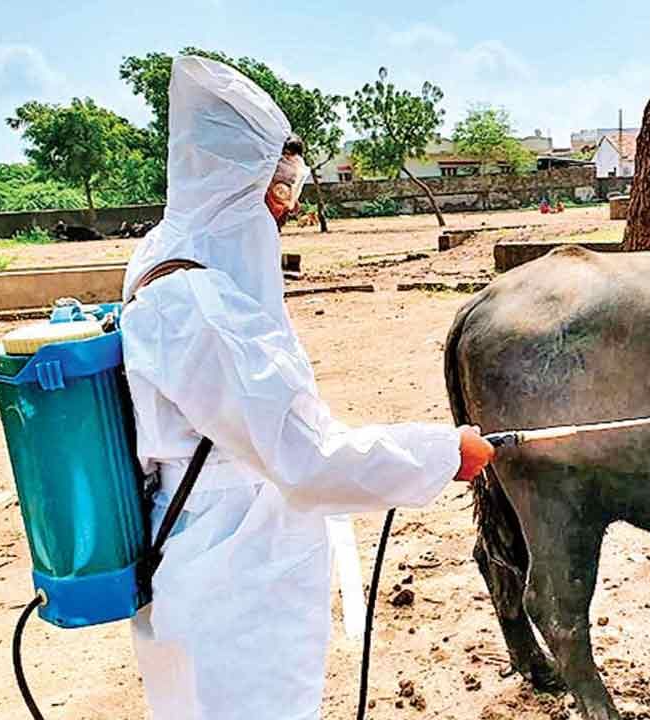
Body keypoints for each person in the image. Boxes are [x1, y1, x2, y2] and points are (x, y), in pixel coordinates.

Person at [120, 56, 495, 719]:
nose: (287, 208)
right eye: (281, 187)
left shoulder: (160, 263)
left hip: (207, 559)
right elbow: (306, 458)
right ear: (236, 186)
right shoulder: (199, 306)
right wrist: (443, 452)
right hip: (233, 582)